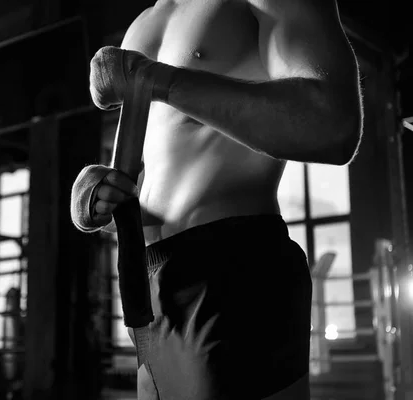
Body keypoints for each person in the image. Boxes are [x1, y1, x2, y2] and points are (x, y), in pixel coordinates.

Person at [71, 0, 363, 398]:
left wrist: (158, 79)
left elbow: (332, 122)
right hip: (148, 281)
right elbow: (155, 159)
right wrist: (96, 189)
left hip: (235, 267)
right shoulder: (143, 22)